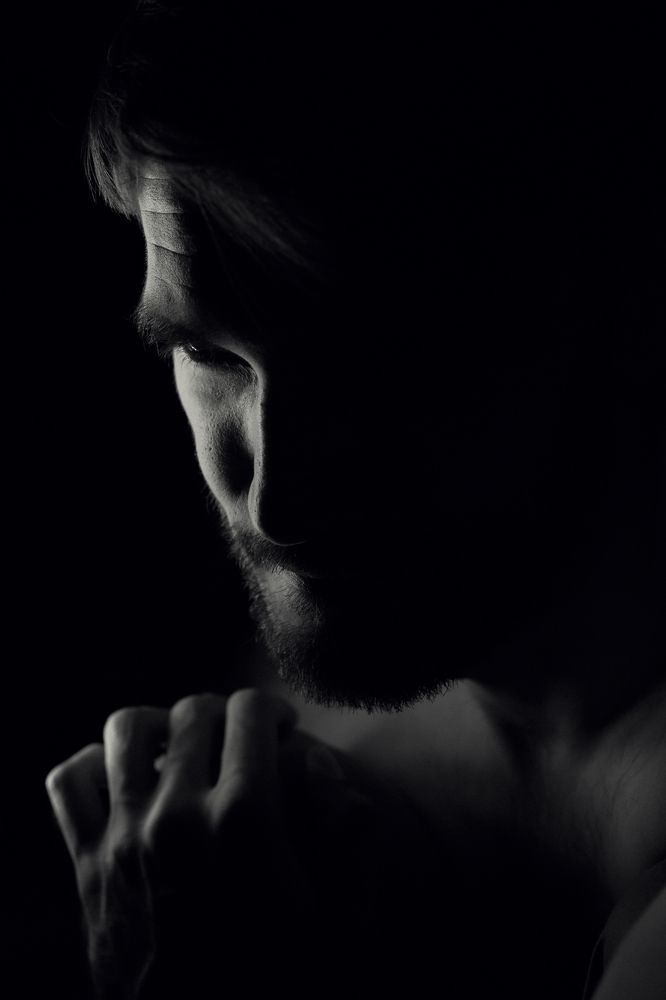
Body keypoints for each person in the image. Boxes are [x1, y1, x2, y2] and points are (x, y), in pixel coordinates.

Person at [45, 3, 665, 997]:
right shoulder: (343, 665)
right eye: (207, 351)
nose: (276, 502)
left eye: (374, 362)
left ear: (621, 297)